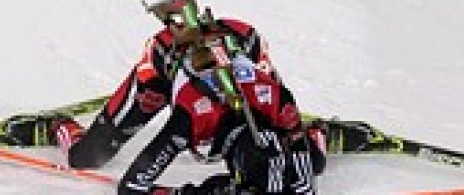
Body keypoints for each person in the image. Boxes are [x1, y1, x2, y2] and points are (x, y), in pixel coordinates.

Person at [0, 0, 279, 170]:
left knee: (273, 133)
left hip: (232, 81)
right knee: (87, 157)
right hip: (161, 79)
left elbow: (279, 107)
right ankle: (57, 126)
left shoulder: (248, 42)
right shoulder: (166, 57)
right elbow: (143, 170)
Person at [116, 33, 324, 194]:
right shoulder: (189, 119)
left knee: (313, 162)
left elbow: (304, 178)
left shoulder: (278, 101)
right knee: (92, 150)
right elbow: (131, 187)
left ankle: (316, 135)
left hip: (241, 42)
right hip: (164, 63)